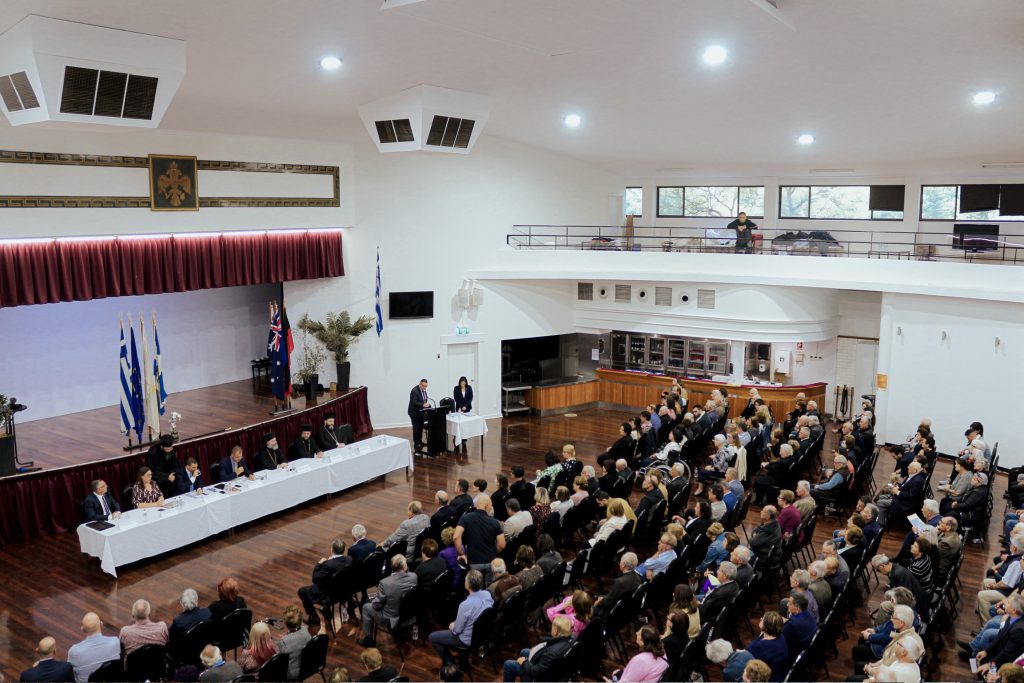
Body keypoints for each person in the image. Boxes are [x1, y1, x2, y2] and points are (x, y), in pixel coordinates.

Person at [429, 570, 493, 665]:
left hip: (467, 640)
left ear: (468, 585)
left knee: (432, 637)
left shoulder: (465, 605)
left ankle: (450, 663)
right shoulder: (487, 594)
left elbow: (457, 631)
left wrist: (452, 626)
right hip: (483, 634)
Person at [356, 555, 418, 646]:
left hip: (391, 619)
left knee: (366, 607)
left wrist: (376, 601)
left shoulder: (385, 583)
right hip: (410, 615)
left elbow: (376, 605)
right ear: (404, 567)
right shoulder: (414, 577)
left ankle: (368, 639)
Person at [502, 614, 574, 682]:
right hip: (555, 668)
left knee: (508, 664)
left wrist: (524, 662)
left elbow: (536, 672)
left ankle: (526, 677)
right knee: (524, 651)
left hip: (542, 677)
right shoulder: (572, 639)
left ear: (556, 631)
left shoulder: (551, 653)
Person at [298, 538, 353, 625]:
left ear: (332, 549)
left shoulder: (328, 564)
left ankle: (314, 617)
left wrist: (319, 564)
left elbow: (315, 578)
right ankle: (326, 609)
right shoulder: (349, 559)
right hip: (343, 590)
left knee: (302, 591)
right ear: (344, 550)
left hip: (330, 594)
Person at [455, 494, 506, 584]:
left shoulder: (465, 518)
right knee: (489, 587)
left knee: (475, 588)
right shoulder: (495, 522)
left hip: (473, 562)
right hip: (490, 561)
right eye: (490, 506)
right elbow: (502, 544)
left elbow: (456, 537)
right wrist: (494, 552)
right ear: (486, 506)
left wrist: (461, 553)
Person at [67, 613, 120, 683]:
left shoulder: (74, 651)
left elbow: (68, 672)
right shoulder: (115, 642)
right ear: (101, 624)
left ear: (82, 629)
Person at [594, 552, 642, 617]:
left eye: (620, 560)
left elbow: (607, 602)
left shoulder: (619, 582)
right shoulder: (638, 578)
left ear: (623, 565)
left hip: (613, 612)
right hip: (627, 608)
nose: (619, 562)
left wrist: (600, 600)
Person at [746, 611, 789, 680]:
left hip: (767, 678)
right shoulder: (781, 636)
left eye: (763, 619)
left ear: (766, 626)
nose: (760, 618)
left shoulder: (758, 647)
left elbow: (747, 656)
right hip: (781, 673)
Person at [276, 605, 312, 681]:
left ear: (286, 623)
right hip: (308, 667)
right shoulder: (305, 630)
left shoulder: (284, 641)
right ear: (301, 620)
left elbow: (281, 662)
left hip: (292, 674)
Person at [781, 591, 816, 659]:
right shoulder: (809, 614)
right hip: (808, 648)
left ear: (797, 607)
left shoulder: (791, 625)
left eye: (790, 604)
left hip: (795, 654)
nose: (787, 605)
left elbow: (781, 639)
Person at [146, 433, 179, 498]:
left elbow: (175, 464)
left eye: (170, 448)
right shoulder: (153, 453)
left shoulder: (171, 449)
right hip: (159, 480)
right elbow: (154, 470)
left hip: (170, 478)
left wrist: (173, 474)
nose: (169, 451)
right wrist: (167, 476)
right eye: (167, 449)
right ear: (162, 447)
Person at [408, 378, 430, 451]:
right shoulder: (414, 391)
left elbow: (424, 399)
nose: (425, 387)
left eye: (426, 386)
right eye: (423, 386)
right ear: (420, 384)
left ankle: (420, 441)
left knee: (420, 427)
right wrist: (423, 404)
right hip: (414, 413)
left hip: (421, 412)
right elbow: (414, 402)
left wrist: (426, 405)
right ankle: (416, 443)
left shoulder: (424, 391)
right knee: (416, 428)